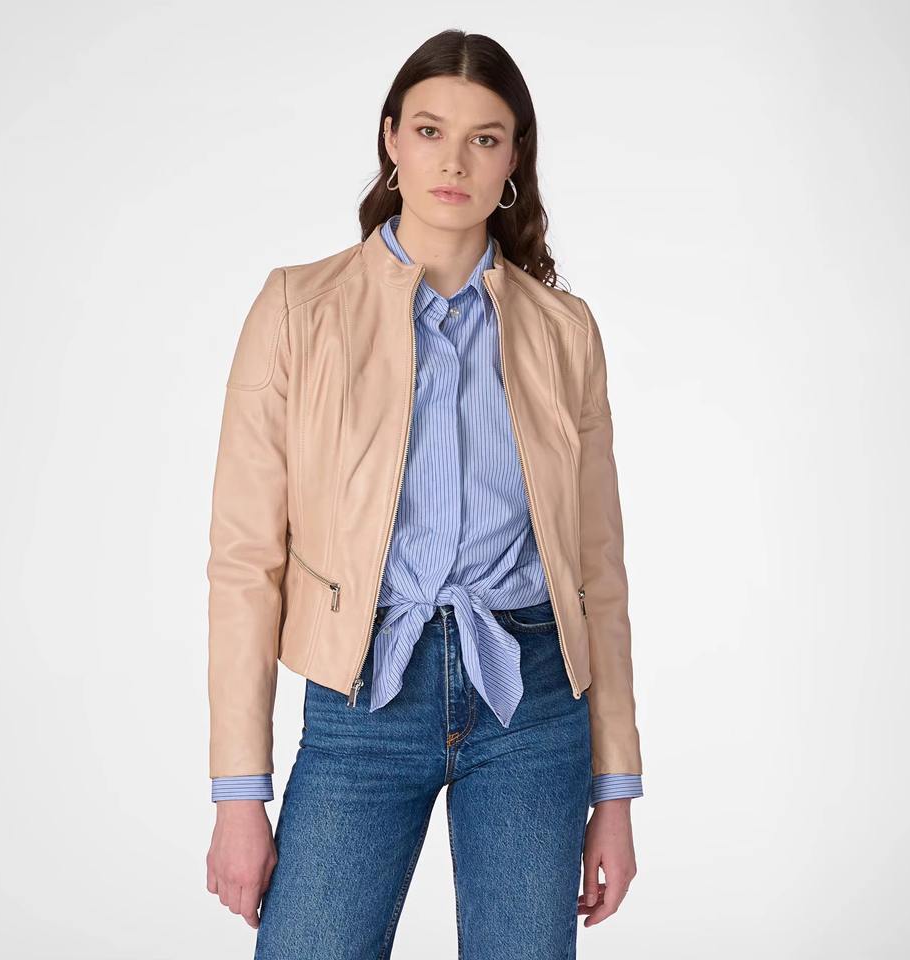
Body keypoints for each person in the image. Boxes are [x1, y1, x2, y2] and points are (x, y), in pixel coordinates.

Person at [204, 29, 644, 959]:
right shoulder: (297, 310)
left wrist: (615, 790)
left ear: (514, 159)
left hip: (532, 702)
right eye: (431, 130)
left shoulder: (565, 333)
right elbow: (245, 561)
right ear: (391, 139)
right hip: (363, 695)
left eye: (485, 138)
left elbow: (598, 572)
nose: (455, 161)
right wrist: (239, 794)